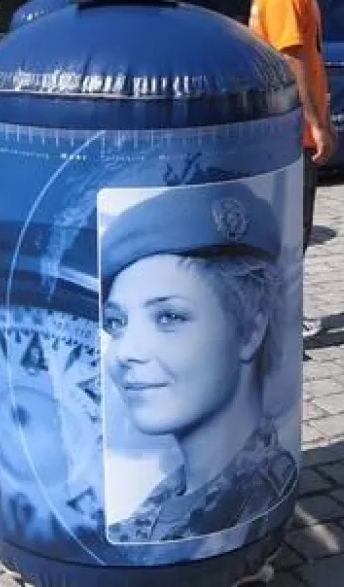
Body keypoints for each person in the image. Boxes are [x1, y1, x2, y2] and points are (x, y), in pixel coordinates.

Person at [99, 182, 297, 551]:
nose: (125, 351)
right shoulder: (156, 511)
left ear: (251, 330)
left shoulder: (258, 497)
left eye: (168, 317)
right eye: (116, 323)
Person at [249, 0, 337, 339]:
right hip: (292, 132)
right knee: (291, 233)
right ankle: (278, 324)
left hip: (286, 128)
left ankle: (277, 317)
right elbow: (293, 60)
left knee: (289, 231)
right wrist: (317, 123)